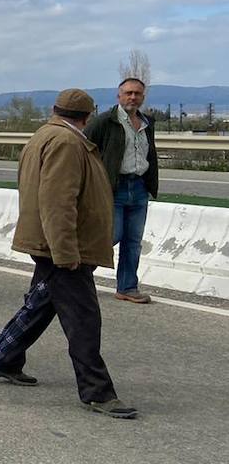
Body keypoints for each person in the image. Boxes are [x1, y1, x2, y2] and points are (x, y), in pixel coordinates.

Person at [0, 89, 135, 419]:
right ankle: (97, 392)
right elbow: (59, 203)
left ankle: (5, 360)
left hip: (51, 243)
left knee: (40, 306)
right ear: (87, 116)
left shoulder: (45, 135)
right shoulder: (68, 144)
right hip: (62, 246)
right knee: (83, 319)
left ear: (56, 110)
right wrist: (65, 252)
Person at [84, 77, 158, 304]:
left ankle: (127, 287)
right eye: (128, 93)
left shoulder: (147, 122)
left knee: (133, 240)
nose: (132, 97)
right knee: (110, 236)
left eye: (137, 94)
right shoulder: (105, 121)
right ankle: (75, 278)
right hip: (113, 188)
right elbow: (83, 145)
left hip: (139, 187)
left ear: (143, 97)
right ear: (119, 96)